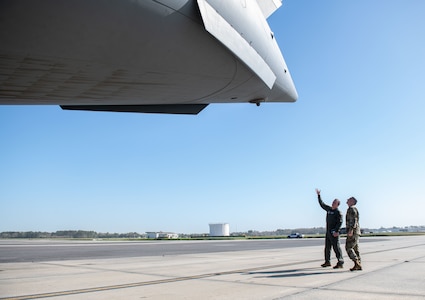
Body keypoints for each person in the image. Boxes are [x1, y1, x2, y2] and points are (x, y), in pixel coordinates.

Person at [316, 188, 344, 269]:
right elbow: (322, 204)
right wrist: (318, 196)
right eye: (333, 202)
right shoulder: (329, 209)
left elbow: (340, 222)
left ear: (337, 204)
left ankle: (340, 262)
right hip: (328, 232)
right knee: (327, 247)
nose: (333, 203)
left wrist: (336, 231)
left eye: (334, 203)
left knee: (336, 247)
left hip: (334, 232)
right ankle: (327, 261)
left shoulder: (338, 212)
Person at [345, 196, 362, 271]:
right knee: (355, 249)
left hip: (353, 231)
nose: (347, 200)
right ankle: (358, 263)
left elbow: (353, 220)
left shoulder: (351, 209)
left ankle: (356, 263)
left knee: (348, 247)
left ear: (352, 201)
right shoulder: (354, 209)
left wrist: (351, 230)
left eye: (349, 200)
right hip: (356, 231)